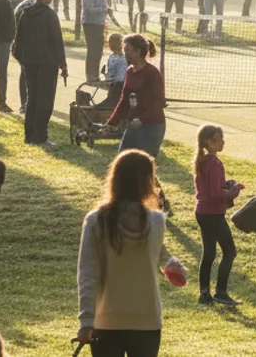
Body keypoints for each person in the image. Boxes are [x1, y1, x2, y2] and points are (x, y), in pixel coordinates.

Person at [76, 150, 184, 357]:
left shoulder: (95, 220)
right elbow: (156, 253)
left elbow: (88, 274)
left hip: (105, 319)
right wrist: (170, 262)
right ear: (145, 181)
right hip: (147, 319)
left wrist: (86, 321)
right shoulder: (157, 221)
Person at [193, 125, 244, 306]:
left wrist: (226, 185)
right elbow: (215, 195)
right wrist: (233, 192)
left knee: (209, 253)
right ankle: (221, 292)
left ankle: (204, 293)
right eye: (219, 139)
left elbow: (210, 189)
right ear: (209, 142)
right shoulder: (214, 164)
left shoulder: (202, 161)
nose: (223, 142)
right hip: (213, 214)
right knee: (229, 251)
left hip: (202, 212)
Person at [13, 0, 68, 147]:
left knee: (32, 98)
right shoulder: (50, 15)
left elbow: (18, 39)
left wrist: (22, 59)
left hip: (29, 62)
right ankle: (41, 136)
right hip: (47, 63)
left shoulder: (25, 13)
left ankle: (29, 135)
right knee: (45, 100)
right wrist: (63, 64)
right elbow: (56, 41)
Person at [106, 35, 166, 159]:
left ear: (138, 51)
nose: (125, 53)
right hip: (133, 126)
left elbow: (159, 102)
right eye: (124, 50)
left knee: (142, 167)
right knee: (123, 162)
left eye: (128, 50)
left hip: (152, 126)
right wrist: (111, 124)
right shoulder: (129, 71)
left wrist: (142, 119)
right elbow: (124, 101)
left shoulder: (152, 73)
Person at [83, 0, 115, 84]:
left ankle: (94, 75)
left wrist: (106, 10)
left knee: (98, 50)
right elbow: (88, 9)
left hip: (98, 22)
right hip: (91, 24)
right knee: (93, 50)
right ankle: (91, 76)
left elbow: (100, 5)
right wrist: (103, 10)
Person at [96, 33, 127, 109]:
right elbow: (111, 73)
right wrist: (105, 75)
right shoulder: (111, 57)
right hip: (112, 86)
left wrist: (111, 80)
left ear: (121, 44)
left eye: (115, 42)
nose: (111, 44)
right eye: (110, 42)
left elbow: (121, 75)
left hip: (119, 85)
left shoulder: (123, 59)